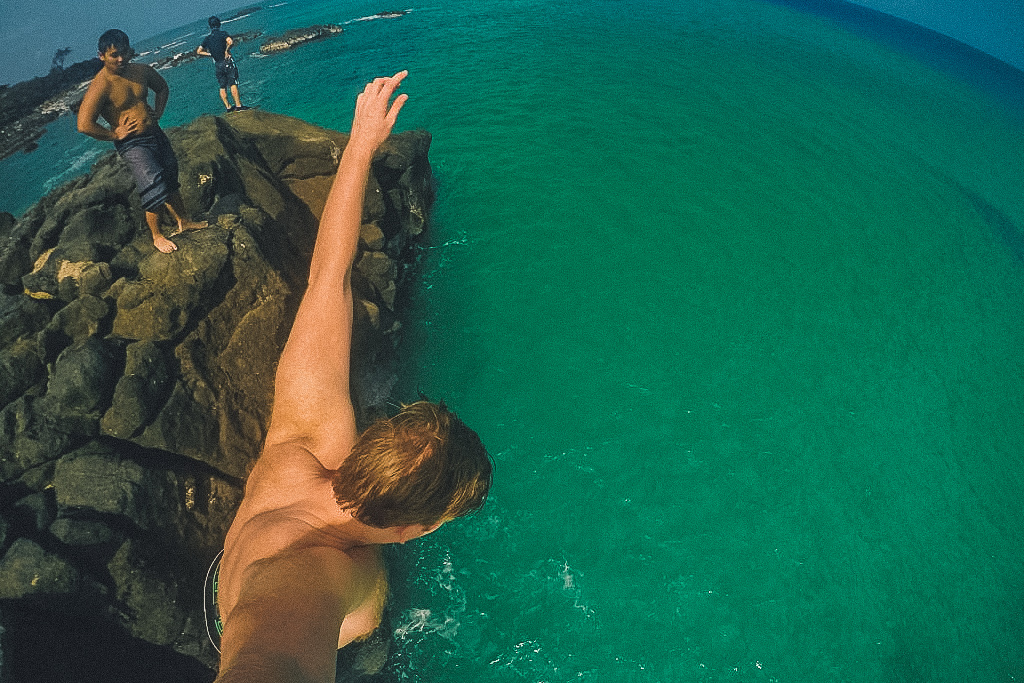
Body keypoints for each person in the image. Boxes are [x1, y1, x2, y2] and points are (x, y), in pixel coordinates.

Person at [212, 71, 492, 683]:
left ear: (369, 448)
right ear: (413, 530)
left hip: (239, 580)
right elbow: (268, 661)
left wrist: (361, 144)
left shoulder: (306, 438)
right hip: (320, 644)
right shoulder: (321, 571)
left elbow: (329, 278)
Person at [77, 29, 207, 254]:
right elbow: (84, 124)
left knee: (169, 174)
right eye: (114, 55)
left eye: (124, 53)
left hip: (155, 132)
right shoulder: (101, 86)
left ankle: (184, 221)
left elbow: (162, 88)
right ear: (101, 56)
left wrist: (158, 111)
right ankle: (157, 236)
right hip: (133, 143)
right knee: (153, 183)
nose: (120, 59)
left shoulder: (141, 71)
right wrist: (114, 134)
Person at [197, 16, 249, 112]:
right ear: (219, 24)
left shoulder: (207, 39)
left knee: (222, 86)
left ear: (210, 26)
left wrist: (210, 54)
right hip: (227, 62)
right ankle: (238, 106)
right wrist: (226, 50)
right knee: (233, 83)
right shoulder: (222, 34)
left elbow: (199, 51)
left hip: (217, 64)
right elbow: (230, 41)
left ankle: (228, 107)